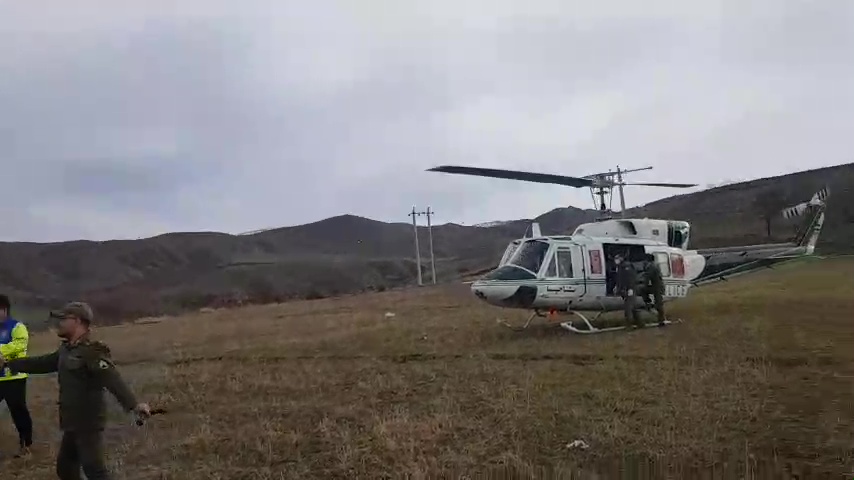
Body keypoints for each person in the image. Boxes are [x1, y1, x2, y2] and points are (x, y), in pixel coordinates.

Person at [0, 301, 150, 480]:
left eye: (64, 319)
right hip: (72, 422)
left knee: (94, 470)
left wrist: (133, 405)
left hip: (87, 422)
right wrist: (10, 364)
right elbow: (42, 363)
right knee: (65, 468)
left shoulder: (91, 352)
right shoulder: (66, 349)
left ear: (78, 321)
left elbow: (111, 378)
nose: (59, 323)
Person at [0, 294, 34, 458]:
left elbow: (20, 344)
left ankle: (26, 444)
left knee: (18, 411)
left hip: (14, 377)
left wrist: (1, 351)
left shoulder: (17, 326)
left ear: (4, 310)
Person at [613, 254, 642, 328]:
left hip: (629, 290)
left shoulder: (626, 267)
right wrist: (618, 288)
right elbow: (620, 279)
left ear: (621, 259)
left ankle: (629, 325)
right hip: (625, 290)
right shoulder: (620, 267)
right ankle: (640, 323)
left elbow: (630, 279)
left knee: (628, 308)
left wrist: (631, 289)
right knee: (633, 308)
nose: (616, 260)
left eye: (617, 259)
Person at [640, 254, 666, 326]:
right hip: (656, 286)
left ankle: (661, 320)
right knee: (658, 302)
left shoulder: (652, 267)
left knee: (658, 303)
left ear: (648, 260)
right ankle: (649, 304)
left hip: (657, 287)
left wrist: (644, 284)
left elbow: (647, 277)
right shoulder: (654, 266)